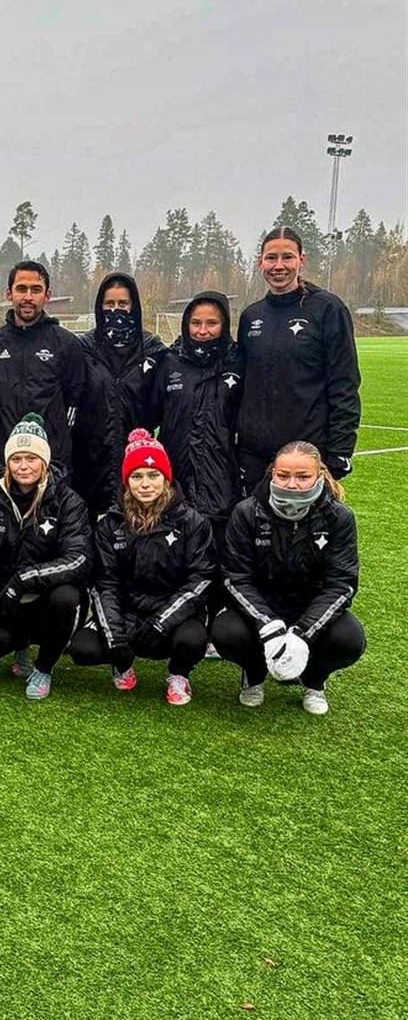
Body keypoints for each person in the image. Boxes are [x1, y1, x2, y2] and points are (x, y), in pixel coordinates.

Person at [211, 440, 365, 715]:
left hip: (310, 608)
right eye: (283, 475)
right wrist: (268, 626)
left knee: (349, 639)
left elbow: (341, 584)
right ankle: (253, 674)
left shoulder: (339, 517)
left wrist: (302, 633)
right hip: (262, 606)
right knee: (226, 631)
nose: (292, 484)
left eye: (303, 476)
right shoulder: (246, 512)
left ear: (319, 475)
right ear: (272, 473)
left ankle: (314, 681)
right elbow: (235, 578)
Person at [70, 430, 216, 705]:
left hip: (172, 615)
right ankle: (122, 664)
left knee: (192, 639)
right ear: (127, 481)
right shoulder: (110, 524)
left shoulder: (192, 522)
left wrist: (162, 622)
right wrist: (115, 637)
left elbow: (201, 579)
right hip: (128, 612)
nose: (145, 484)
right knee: (83, 649)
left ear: (166, 478)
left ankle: (179, 674)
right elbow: (105, 583)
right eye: (136, 476)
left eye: (153, 475)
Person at [0, 414, 93, 701]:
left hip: (46, 596)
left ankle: (43, 667)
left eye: (31, 458)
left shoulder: (68, 501)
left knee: (67, 597)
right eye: (16, 459)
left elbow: (78, 559)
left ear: (45, 461)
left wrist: (25, 580)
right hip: (6, 595)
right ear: (7, 462)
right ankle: (20, 646)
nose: (23, 466)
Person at [236, 227, 361, 492]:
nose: (278, 266)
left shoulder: (327, 309)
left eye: (287, 257)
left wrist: (341, 449)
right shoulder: (251, 316)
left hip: (304, 456)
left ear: (301, 260)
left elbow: (344, 383)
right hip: (253, 455)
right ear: (260, 262)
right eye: (271, 258)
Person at [69, 273, 166, 518]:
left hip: (138, 468)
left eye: (123, 304)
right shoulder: (83, 349)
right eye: (109, 304)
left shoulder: (153, 350)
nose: (116, 310)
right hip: (90, 466)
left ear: (134, 306)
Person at [0, 261, 83, 480]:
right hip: (5, 463)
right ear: (9, 294)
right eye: (21, 289)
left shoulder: (66, 344)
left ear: (47, 295)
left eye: (36, 290)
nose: (28, 297)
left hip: (52, 465)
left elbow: (74, 406)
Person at [157, 291, 243, 544]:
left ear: (224, 324)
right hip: (176, 480)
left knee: (217, 555)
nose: (202, 331)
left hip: (222, 482)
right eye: (196, 323)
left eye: (211, 323)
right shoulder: (169, 362)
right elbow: (150, 412)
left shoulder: (239, 362)